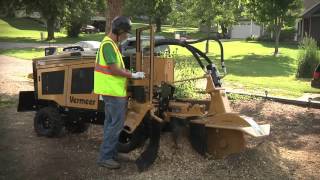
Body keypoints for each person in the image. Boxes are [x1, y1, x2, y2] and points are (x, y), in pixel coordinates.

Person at [94, 16, 145, 169]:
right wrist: (133, 75)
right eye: (126, 33)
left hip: (112, 92)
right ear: (119, 31)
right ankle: (105, 157)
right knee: (115, 126)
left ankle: (110, 153)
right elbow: (114, 69)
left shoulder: (112, 44)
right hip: (113, 93)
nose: (127, 36)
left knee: (110, 124)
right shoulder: (108, 45)